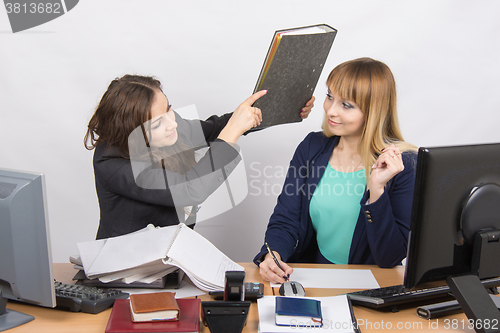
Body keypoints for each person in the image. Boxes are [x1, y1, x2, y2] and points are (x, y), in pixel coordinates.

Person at [84, 74, 314, 239]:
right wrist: (232, 133)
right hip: (124, 270)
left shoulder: (167, 129)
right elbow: (189, 190)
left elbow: (215, 127)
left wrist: (284, 107)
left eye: (168, 109)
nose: (172, 122)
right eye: (157, 122)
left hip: (168, 261)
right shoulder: (111, 164)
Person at [254, 57, 418, 283]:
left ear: (373, 111)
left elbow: (390, 257)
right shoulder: (312, 147)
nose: (331, 110)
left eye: (347, 105)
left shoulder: (403, 165)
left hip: (371, 285)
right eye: (330, 96)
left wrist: (377, 190)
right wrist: (273, 255)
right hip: (316, 276)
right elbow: (286, 219)